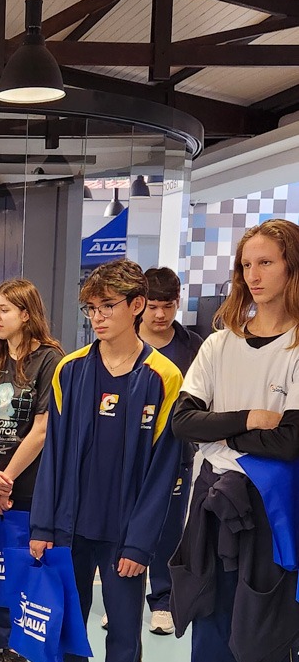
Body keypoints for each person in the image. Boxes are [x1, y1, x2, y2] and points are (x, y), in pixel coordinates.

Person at [24, 260, 182, 662]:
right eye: (91, 308)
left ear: (137, 306)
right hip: (70, 527)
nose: (97, 316)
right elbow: (53, 455)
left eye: (108, 306)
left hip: (123, 534)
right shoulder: (70, 370)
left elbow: (164, 469)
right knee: (67, 621)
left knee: (124, 631)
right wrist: (43, 525)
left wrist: (139, 543)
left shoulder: (163, 377)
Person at [171, 220, 299, 662]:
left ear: (291, 266)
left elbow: (292, 440)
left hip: (273, 511)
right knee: (211, 621)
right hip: (212, 504)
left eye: (266, 262)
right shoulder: (219, 345)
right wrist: (250, 418)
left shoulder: (296, 347)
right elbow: (184, 420)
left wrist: (222, 432)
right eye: (247, 264)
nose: (254, 274)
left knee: (267, 630)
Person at [0, 279, 63, 662]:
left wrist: (5, 480)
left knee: (18, 563)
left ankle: (17, 648)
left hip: (24, 481)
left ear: (26, 313)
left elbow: (41, 430)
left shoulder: (50, 360)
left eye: (4, 309)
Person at [138, 267, 202, 634]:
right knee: (123, 526)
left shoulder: (194, 346)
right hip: (128, 451)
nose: (160, 315)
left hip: (176, 452)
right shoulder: (125, 340)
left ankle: (162, 599)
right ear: (140, 304)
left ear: (178, 304)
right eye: (153, 306)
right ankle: (125, 596)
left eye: (168, 306)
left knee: (168, 528)